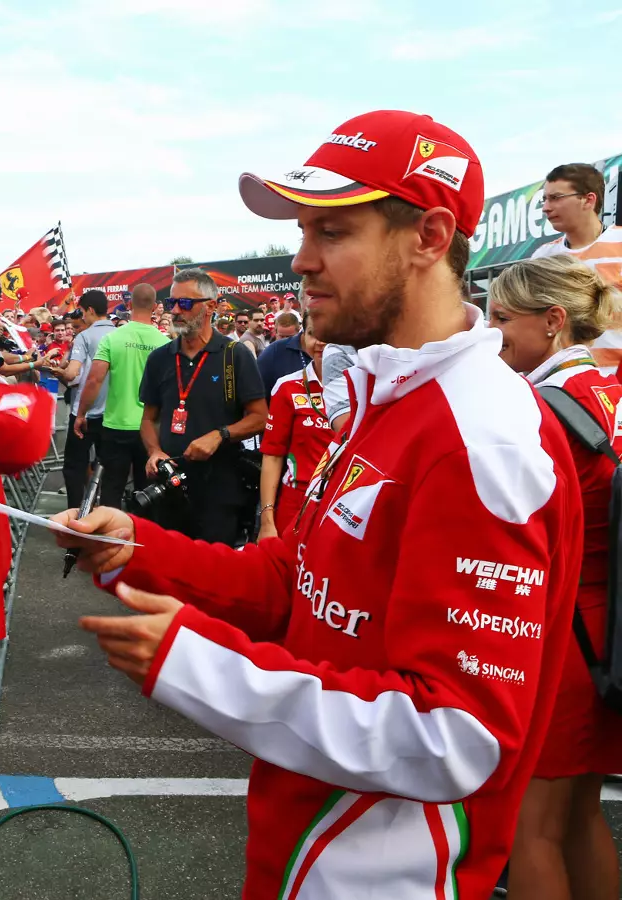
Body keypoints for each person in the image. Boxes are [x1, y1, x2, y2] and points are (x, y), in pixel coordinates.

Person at [59, 109, 582, 899]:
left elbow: (459, 737)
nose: (300, 261)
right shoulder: (390, 394)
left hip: (383, 874)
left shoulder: (484, 436)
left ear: (430, 238)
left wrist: (203, 665)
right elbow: (301, 578)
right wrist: (141, 546)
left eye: (330, 232)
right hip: (304, 847)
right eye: (302, 232)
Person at [488, 254, 622, 900]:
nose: (492, 334)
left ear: (552, 321)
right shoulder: (611, 387)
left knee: (530, 829)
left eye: (502, 318)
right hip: (611, 630)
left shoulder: (541, 408)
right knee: (580, 814)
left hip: (565, 631)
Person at [138, 268, 267, 544]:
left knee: (212, 576)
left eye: (184, 303)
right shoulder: (160, 358)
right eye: (171, 302)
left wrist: (220, 435)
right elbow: (149, 419)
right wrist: (154, 451)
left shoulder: (235, 355)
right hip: (169, 487)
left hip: (219, 491)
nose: (174, 310)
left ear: (210, 306)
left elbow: (260, 417)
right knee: (168, 572)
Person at [75, 283, 169, 508]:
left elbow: (94, 380)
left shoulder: (113, 339)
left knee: (112, 488)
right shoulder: (166, 344)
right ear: (156, 307)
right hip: (152, 430)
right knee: (148, 492)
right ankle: (145, 538)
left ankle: (111, 539)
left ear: (129, 304)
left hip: (117, 425)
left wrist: (81, 414)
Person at [530, 163, 622, 370]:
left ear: (588, 200)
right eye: (545, 199)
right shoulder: (542, 258)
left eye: (556, 198)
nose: (546, 207)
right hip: (562, 386)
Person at [257, 313, 327, 541]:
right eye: (312, 334)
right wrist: (267, 520)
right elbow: (273, 456)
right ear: (303, 338)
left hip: (346, 502)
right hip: (296, 502)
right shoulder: (287, 387)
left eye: (329, 335)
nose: (320, 342)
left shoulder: (365, 385)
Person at [48, 290, 113, 510]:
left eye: (83, 312)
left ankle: (76, 514)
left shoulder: (84, 337)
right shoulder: (120, 334)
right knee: (107, 466)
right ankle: (106, 514)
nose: (82, 317)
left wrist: (58, 372)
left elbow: (72, 373)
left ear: (91, 311)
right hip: (112, 414)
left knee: (74, 468)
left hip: (84, 413)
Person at [256, 308, 315, 402]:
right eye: (281, 336)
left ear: (299, 331)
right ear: (275, 331)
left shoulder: (315, 349)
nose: (285, 340)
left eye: (289, 337)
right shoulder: (270, 353)